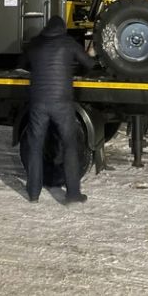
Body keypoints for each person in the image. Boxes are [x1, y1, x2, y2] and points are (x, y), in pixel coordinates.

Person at [20, 15, 95, 204]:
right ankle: (73, 194)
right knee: (70, 146)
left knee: (35, 147)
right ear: (62, 28)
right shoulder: (68, 43)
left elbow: (22, 64)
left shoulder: (35, 44)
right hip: (62, 103)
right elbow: (89, 64)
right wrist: (81, 63)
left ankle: (33, 193)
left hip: (38, 102)